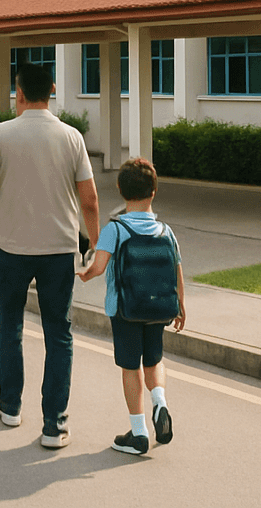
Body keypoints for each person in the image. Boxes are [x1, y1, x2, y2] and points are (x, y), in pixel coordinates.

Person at [0, 60, 99, 449]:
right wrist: (97, 247)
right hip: (59, 252)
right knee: (59, 334)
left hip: (12, 251)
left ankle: (12, 406)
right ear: (52, 89)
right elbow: (89, 199)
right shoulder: (72, 137)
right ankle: (54, 425)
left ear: (18, 93)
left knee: (10, 325)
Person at [77, 157, 186, 455]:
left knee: (130, 367)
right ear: (154, 191)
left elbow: (98, 267)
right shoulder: (166, 230)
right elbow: (177, 271)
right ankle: (160, 403)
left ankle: (138, 433)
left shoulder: (116, 229)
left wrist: (84, 274)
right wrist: (180, 305)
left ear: (120, 191)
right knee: (154, 361)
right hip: (160, 309)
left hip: (125, 310)